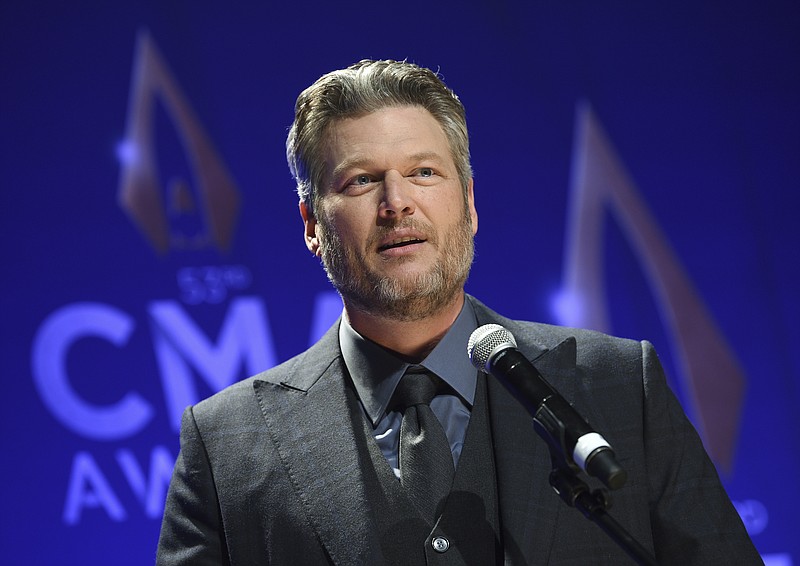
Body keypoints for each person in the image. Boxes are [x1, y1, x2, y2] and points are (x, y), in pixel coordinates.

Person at [157, 59, 761, 565]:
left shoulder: (621, 387)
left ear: (468, 205)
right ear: (313, 225)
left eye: (424, 172)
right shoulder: (226, 446)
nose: (398, 203)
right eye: (363, 181)